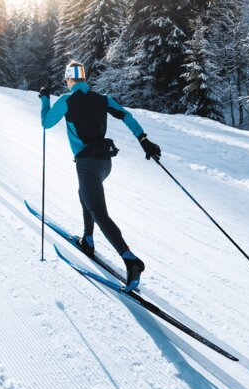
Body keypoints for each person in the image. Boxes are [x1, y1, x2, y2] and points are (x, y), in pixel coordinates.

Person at [39, 60, 162, 291]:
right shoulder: (102, 98)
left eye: (67, 80)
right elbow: (125, 115)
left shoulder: (67, 100)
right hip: (105, 164)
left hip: (87, 164)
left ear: (69, 79)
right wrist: (143, 139)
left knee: (99, 213)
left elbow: (46, 123)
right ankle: (88, 240)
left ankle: (130, 259)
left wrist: (45, 97)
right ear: (85, 79)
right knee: (84, 195)